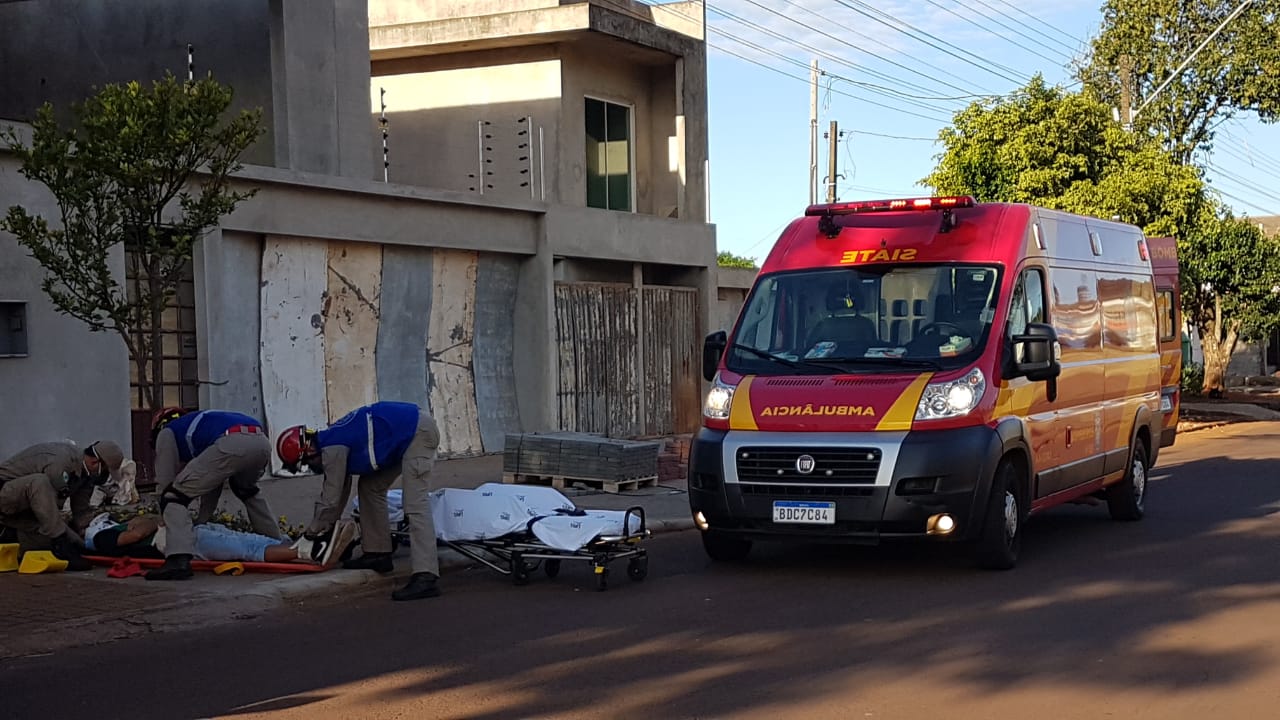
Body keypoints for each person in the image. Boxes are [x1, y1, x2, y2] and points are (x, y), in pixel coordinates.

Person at [276, 400, 442, 601]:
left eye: (306, 465)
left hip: (417, 433)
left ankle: (426, 576)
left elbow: (331, 499)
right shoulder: (331, 441)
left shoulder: (332, 449)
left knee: (415, 504)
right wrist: (324, 529)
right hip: (407, 430)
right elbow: (339, 495)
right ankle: (378, 554)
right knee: (369, 487)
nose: (311, 469)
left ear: (309, 451)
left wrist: (311, 534)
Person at [146, 407, 284, 581]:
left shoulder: (166, 433)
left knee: (173, 497)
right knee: (247, 491)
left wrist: (164, 518)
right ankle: (274, 540)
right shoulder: (200, 425)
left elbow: (165, 482)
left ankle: (177, 559)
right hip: (261, 442)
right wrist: (201, 521)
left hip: (231, 442)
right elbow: (212, 483)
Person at [0, 439, 126, 571]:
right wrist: (64, 538)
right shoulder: (60, 462)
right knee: (40, 483)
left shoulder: (86, 475)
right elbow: (48, 509)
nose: (105, 477)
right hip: (5, 493)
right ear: (95, 462)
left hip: (24, 513)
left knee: (58, 541)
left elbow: (81, 513)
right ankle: (60, 545)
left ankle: (10, 535)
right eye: (105, 471)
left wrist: (92, 536)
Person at [83, 512, 356, 567]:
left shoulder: (112, 529)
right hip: (186, 542)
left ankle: (318, 546)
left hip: (193, 532)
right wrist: (150, 521)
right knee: (248, 549)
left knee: (255, 540)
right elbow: (138, 534)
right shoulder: (104, 538)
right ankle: (310, 552)